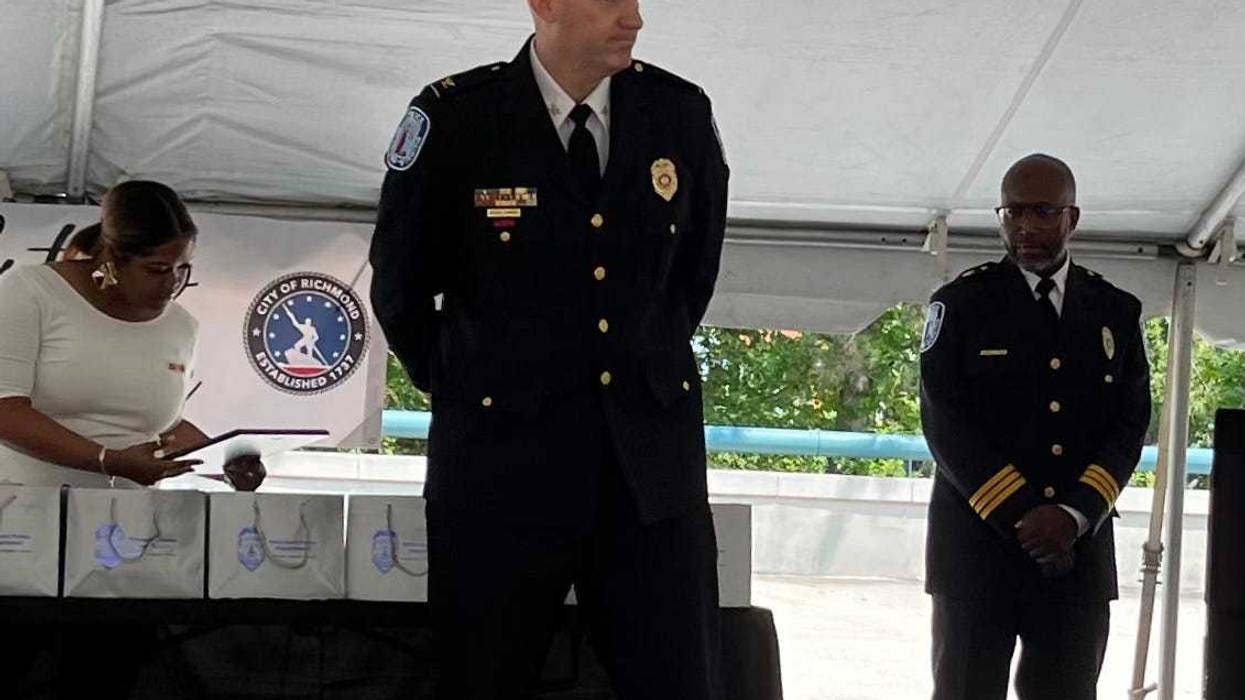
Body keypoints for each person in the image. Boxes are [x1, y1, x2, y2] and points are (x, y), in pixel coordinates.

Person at [370, 0, 729, 697]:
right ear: (548, 6)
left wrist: (640, 363)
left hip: (648, 470)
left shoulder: (675, 112)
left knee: (676, 679)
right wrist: (464, 380)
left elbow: (692, 274)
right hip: (499, 466)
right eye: (610, 1)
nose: (634, 18)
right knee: (481, 674)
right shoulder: (456, 116)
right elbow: (401, 286)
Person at [919, 154, 1151, 699]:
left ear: (1073, 218)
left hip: (1077, 552)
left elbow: (1129, 423)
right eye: (1013, 212)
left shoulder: (1114, 310)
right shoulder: (961, 305)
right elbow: (945, 423)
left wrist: (1072, 515)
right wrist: (1024, 517)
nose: (1025, 227)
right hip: (977, 552)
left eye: (1043, 212)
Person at [0, 180, 265, 491]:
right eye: (157, 269)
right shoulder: (32, 292)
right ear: (112, 257)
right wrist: (107, 460)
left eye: (183, 269)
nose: (173, 283)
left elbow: (163, 429)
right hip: (23, 511)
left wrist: (225, 459)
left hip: (131, 521)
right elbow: (6, 410)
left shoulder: (181, 325)